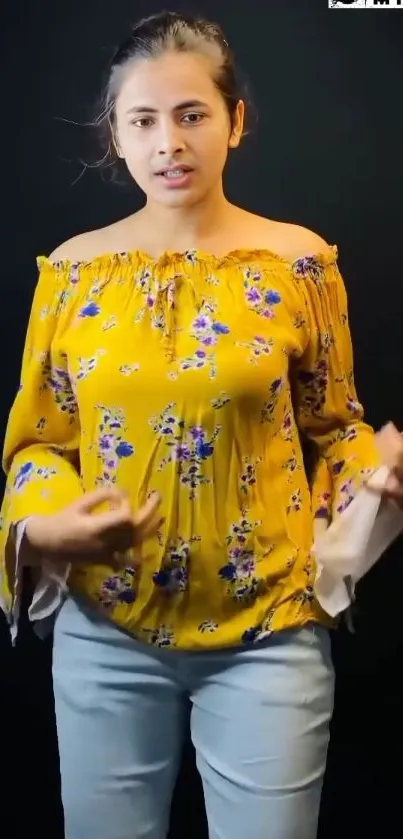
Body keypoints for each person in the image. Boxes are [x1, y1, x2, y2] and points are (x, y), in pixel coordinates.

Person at [1, 10, 403, 839]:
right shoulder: (72, 272)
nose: (168, 143)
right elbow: (42, 439)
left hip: (269, 629)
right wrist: (44, 526)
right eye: (142, 120)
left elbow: (334, 427)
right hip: (105, 631)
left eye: (191, 115)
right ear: (114, 135)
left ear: (235, 122)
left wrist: (377, 476)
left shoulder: (298, 264)